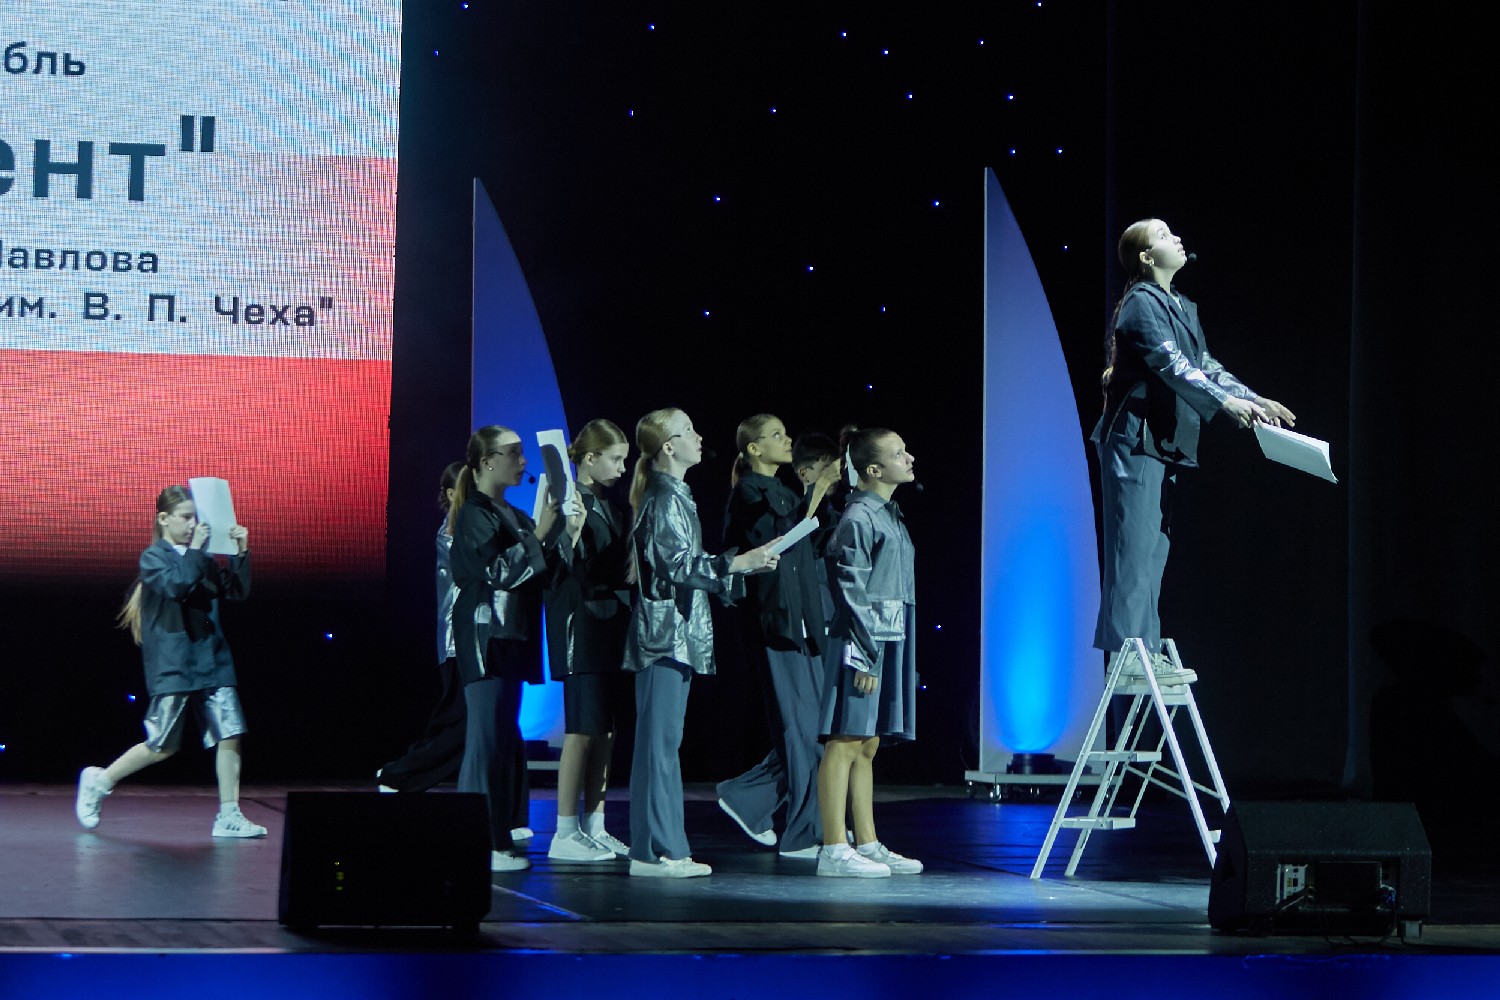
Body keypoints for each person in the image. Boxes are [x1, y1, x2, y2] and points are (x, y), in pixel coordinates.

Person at [1093, 218, 1296, 674]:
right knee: (1133, 548)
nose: (1178, 239)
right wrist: (1224, 403)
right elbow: (1171, 362)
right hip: (1134, 439)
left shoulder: (1182, 306)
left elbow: (1204, 363)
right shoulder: (1140, 302)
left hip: (1161, 442)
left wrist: (1251, 398)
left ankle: (1143, 651)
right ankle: (1128, 655)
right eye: (1164, 236)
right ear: (1146, 257)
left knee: (1154, 550)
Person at [624, 407, 781, 878]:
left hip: (676, 634)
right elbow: (676, 566)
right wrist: (738, 563)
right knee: (659, 746)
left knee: (663, 744)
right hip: (663, 637)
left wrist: (740, 566)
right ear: (669, 446)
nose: (698, 436)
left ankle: (655, 848)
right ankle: (657, 850)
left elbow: (686, 564)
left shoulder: (675, 496)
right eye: (688, 430)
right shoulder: (663, 498)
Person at [75, 485, 264, 839]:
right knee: (162, 744)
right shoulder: (153, 558)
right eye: (185, 517)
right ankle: (100, 780)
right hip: (174, 664)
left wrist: (240, 553)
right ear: (164, 519)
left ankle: (229, 814)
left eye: (196, 518)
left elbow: (236, 591)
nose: (193, 525)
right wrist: (196, 552)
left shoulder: (201, 558)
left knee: (230, 732)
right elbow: (178, 585)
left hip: (212, 659)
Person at [451, 426, 583, 872]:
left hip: (511, 637)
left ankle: (499, 833)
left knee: (504, 737)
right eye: (513, 453)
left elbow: (543, 573)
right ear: (487, 461)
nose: (523, 462)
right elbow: (497, 573)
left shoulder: (514, 515)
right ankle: (480, 842)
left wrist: (564, 530)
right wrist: (540, 533)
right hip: (486, 637)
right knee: (485, 740)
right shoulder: (474, 513)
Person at [716, 414, 841, 859]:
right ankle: (803, 833)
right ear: (753, 449)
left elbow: (810, 540)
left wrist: (825, 497)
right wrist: (816, 490)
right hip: (777, 620)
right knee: (801, 729)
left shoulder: (784, 490)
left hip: (804, 620)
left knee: (816, 729)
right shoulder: (750, 491)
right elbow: (776, 540)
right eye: (776, 435)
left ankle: (748, 797)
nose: (787, 440)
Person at [816, 427, 923, 877]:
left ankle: (867, 840)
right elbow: (851, 589)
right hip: (863, 639)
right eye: (899, 453)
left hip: (887, 635)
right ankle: (833, 847)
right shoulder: (859, 517)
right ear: (874, 469)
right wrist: (865, 653)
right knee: (845, 740)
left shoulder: (888, 514)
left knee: (868, 743)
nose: (909, 458)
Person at [543, 419, 634, 863]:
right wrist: (570, 530)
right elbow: (556, 563)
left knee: (605, 731)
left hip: (609, 624)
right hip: (578, 623)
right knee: (581, 729)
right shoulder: (566, 499)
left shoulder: (609, 505)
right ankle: (564, 830)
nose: (622, 468)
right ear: (591, 457)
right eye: (615, 459)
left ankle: (595, 824)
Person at [376, 461, 469, 794]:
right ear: (451, 494)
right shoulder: (451, 531)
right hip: (459, 641)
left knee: (468, 721)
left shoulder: (472, 525)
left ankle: (401, 773)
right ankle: (399, 774)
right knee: (460, 722)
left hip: (472, 639)